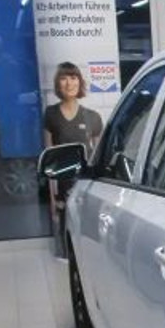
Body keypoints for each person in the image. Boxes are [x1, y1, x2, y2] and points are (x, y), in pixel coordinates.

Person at [42, 62, 103, 257]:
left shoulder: (93, 117)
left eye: (73, 77)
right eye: (64, 78)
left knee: (88, 243)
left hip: (86, 186)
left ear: (80, 82)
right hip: (63, 186)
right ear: (58, 84)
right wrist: (52, 198)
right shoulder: (50, 114)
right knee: (68, 245)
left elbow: (98, 158)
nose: (69, 83)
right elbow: (49, 156)